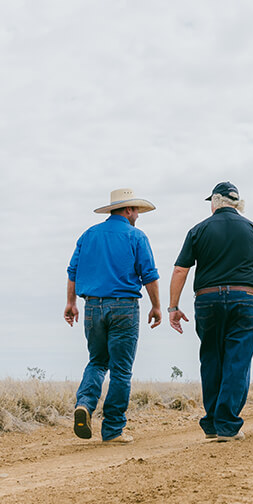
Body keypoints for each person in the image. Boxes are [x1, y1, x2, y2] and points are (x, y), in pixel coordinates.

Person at [168, 181, 253, 442]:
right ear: (237, 203)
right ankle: (227, 425)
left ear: (215, 202)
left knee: (211, 359)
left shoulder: (198, 230)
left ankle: (212, 425)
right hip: (244, 298)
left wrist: (173, 306)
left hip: (207, 300)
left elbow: (180, 270)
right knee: (237, 360)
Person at [64, 188, 162, 444]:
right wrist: (157, 306)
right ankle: (113, 430)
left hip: (92, 306)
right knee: (121, 370)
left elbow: (72, 271)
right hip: (125, 307)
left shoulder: (88, 235)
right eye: (136, 210)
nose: (138, 215)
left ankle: (84, 403)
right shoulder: (136, 236)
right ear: (128, 209)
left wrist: (70, 303)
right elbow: (149, 274)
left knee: (97, 361)